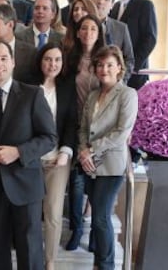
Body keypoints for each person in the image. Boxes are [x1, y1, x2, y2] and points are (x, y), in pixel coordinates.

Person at [0, 39, 57, 270]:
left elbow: (49, 137)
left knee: (30, 248)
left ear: (13, 62)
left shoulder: (32, 94)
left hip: (26, 184)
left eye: (4, 59)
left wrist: (18, 152)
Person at [78, 45, 138, 269]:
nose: (104, 69)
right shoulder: (93, 95)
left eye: (109, 65)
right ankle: (99, 263)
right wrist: (83, 150)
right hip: (89, 164)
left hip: (111, 165)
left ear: (119, 68)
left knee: (101, 217)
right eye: (100, 65)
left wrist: (91, 149)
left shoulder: (127, 94)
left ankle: (107, 265)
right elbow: (83, 127)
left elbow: (122, 132)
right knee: (96, 219)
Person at [65, 14, 105, 251]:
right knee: (76, 183)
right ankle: (77, 228)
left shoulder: (104, 58)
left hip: (99, 127)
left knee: (96, 180)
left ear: (98, 32)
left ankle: (93, 232)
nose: (88, 32)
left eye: (93, 28)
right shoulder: (72, 59)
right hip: (76, 124)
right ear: (78, 32)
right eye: (84, 28)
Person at [35, 43, 77, 270]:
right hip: (31, 160)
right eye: (48, 59)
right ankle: (32, 255)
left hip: (58, 159)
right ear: (40, 62)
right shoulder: (29, 86)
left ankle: (50, 261)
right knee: (31, 212)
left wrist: (65, 152)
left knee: (52, 212)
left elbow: (72, 123)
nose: (52, 64)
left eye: (57, 60)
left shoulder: (68, 88)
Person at [110, 0, 157, 90]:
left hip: (135, 74)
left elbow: (150, 38)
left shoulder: (145, 4)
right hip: (114, 73)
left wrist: (130, 67)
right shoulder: (114, 7)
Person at [92, 0, 134, 83]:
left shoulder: (121, 28)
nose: (101, 2)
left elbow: (129, 59)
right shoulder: (83, 26)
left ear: (112, 5)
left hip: (114, 85)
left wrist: (120, 80)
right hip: (88, 84)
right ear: (92, 0)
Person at [62, 0, 98, 68]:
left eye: (83, 9)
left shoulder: (100, 38)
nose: (78, 12)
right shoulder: (64, 41)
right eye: (76, 9)